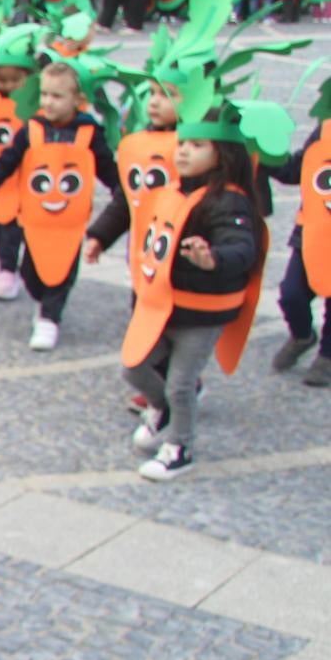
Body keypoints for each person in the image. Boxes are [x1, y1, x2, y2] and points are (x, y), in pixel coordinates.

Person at [118, 107, 275, 479]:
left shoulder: (229, 200)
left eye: (197, 145)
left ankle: (180, 446)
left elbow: (242, 248)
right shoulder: (171, 191)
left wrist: (213, 259)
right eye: (182, 143)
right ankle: (162, 410)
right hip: (163, 307)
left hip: (202, 313)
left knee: (181, 383)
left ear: (222, 154)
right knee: (135, 366)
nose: (183, 151)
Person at [0, 59, 125, 350]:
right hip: (35, 218)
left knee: (62, 270)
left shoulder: (88, 132)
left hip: (70, 220)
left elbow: (106, 169)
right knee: (31, 273)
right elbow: (4, 164)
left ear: (78, 100)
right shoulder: (32, 128)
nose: (49, 102)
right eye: (45, 94)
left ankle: (50, 317)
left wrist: (123, 193)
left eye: (57, 96)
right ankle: (41, 300)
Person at [267, 77, 331, 385]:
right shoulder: (326, 131)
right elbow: (298, 171)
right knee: (292, 294)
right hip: (313, 230)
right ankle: (302, 335)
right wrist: (267, 156)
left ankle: (328, 356)